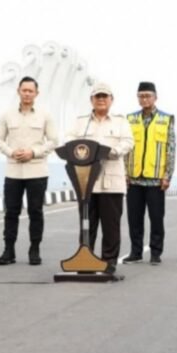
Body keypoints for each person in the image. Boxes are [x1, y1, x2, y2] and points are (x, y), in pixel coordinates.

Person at [66, 83, 133, 273]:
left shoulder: (120, 121)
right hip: (86, 181)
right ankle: (86, 260)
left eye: (105, 96)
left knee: (111, 225)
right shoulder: (81, 122)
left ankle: (109, 262)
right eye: (97, 97)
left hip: (111, 181)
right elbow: (69, 140)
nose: (101, 99)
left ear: (111, 100)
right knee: (87, 223)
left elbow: (128, 142)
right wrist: (80, 151)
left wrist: (112, 151)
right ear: (91, 100)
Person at [0, 77, 58, 265]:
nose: (27, 94)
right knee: (11, 212)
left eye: (31, 91)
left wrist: (34, 152)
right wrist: (11, 152)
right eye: (24, 90)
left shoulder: (45, 115)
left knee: (35, 212)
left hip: (37, 171)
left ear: (37, 93)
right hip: (13, 171)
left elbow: (53, 141)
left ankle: (34, 249)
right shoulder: (7, 115)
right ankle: (9, 250)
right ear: (18, 91)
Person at [124, 82, 176, 265]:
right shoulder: (129, 119)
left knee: (156, 218)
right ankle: (135, 252)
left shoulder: (166, 119)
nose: (144, 99)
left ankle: (155, 252)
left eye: (148, 95)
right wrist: (124, 173)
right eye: (141, 96)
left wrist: (167, 175)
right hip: (134, 178)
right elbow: (125, 148)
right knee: (134, 219)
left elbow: (171, 149)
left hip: (155, 179)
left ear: (155, 97)